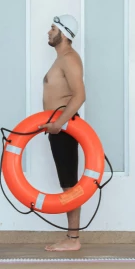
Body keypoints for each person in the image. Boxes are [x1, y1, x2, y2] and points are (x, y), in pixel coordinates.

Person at [39, 15, 86, 253]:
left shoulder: (69, 59)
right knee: (66, 183)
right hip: (58, 128)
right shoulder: (61, 60)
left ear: (64, 33)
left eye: (53, 28)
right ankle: (71, 237)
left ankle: (73, 238)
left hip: (65, 128)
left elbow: (79, 95)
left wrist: (59, 123)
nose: (48, 32)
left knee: (69, 185)